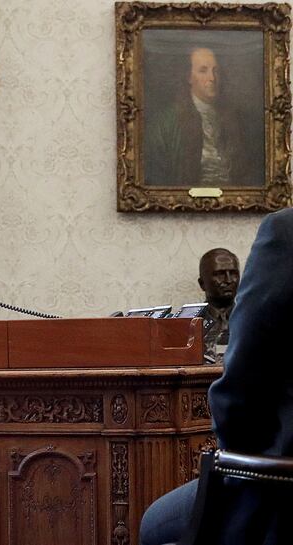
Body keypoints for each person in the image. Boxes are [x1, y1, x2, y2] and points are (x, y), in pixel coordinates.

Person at [140, 208, 293, 545]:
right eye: (218, 275)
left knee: (152, 523)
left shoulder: (286, 232)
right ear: (202, 283)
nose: (226, 280)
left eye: (231, 273)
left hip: (278, 484)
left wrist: (237, 463)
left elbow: (239, 392)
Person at [144, 46, 259, 187]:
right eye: (203, 71)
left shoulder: (237, 118)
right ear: (189, 77)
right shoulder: (165, 123)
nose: (212, 78)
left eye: (215, 71)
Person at [198, 248, 239, 360]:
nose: (229, 280)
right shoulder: (189, 324)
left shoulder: (253, 321)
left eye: (234, 273)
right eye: (220, 274)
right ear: (202, 283)